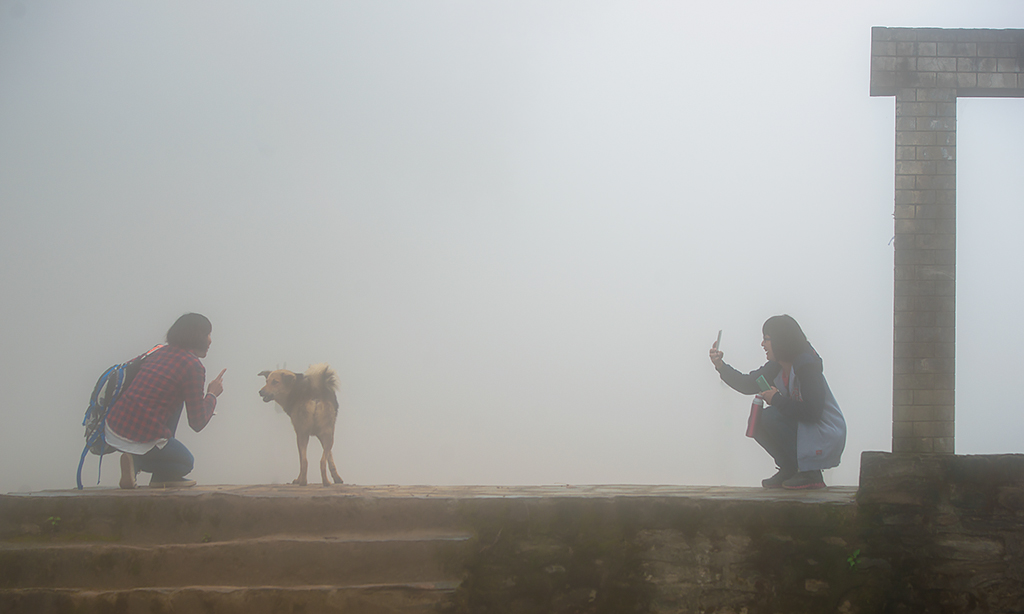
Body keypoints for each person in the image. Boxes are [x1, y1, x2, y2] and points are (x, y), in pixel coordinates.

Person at [709, 315, 846, 490]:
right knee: (758, 420)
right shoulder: (776, 366)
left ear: (781, 340)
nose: (762, 345)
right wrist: (720, 365)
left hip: (824, 431)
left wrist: (776, 400)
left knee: (771, 416)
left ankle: (811, 473)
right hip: (808, 430)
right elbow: (747, 383)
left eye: (766, 339)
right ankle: (789, 468)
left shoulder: (806, 366)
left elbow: (813, 411)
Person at [105, 313, 226, 489]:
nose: (210, 341)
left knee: (175, 398)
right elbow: (197, 422)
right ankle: (137, 462)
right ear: (197, 336)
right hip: (139, 435)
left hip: (114, 425)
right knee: (185, 463)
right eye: (208, 334)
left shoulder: (158, 351)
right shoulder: (193, 366)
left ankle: (158, 476)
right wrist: (212, 395)